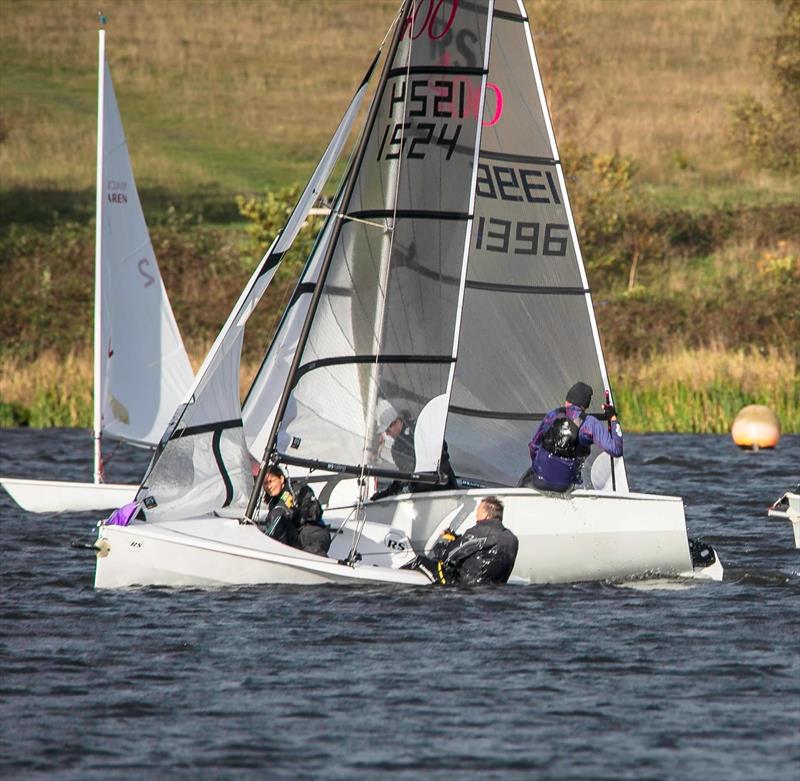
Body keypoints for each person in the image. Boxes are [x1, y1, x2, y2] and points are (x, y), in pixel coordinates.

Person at [527, 381, 622, 493]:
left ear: (567, 400)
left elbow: (533, 446)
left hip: (539, 480)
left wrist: (538, 467)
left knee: (529, 475)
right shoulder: (590, 423)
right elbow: (616, 450)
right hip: (564, 486)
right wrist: (613, 418)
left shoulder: (552, 415)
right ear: (585, 406)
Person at [407, 496, 519, 586]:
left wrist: (442, 545)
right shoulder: (512, 539)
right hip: (492, 590)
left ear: (485, 515)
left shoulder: (478, 532)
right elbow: (477, 548)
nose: (476, 515)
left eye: (478, 511)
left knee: (420, 561)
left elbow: (447, 556)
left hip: (463, 587)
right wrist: (456, 539)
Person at [257, 466, 300, 548]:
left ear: (281, 479)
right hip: (292, 541)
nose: (268, 486)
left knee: (277, 514)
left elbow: (279, 515)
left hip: (308, 537)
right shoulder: (273, 501)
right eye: (265, 483)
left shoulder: (292, 492)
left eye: (271, 481)